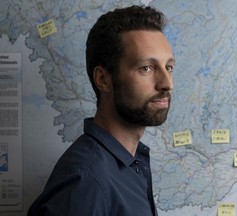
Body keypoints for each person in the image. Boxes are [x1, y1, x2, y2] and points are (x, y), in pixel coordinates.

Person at [28, 5, 174, 216]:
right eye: (146, 68)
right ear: (103, 79)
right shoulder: (86, 183)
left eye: (168, 67)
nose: (166, 83)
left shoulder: (131, 161)